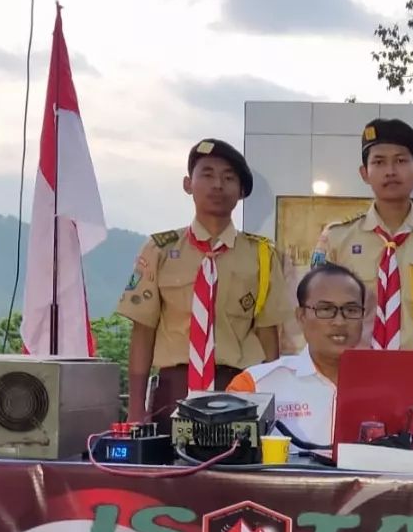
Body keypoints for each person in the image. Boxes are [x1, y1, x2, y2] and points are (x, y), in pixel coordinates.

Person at [119, 139, 288, 427]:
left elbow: (268, 334)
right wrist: (136, 410)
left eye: (229, 178)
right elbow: (143, 332)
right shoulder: (159, 249)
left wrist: (272, 405)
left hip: (238, 389)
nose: (218, 185)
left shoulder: (261, 255)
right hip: (173, 389)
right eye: (207, 174)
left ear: (241, 192)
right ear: (188, 184)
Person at [311, 118, 413, 350]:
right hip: (355, 366)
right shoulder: (336, 238)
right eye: (379, 162)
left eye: (401, 161)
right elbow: (320, 314)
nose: (390, 171)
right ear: (365, 173)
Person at [225, 263, 365, 447]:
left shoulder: (390, 384)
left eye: (351, 310)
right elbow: (228, 458)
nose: (339, 321)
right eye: (325, 309)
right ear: (301, 316)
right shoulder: (255, 385)